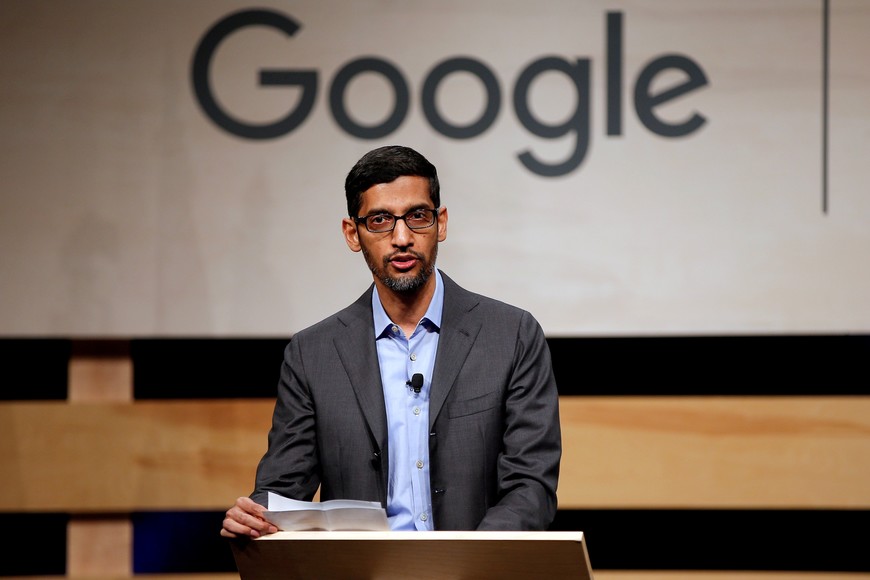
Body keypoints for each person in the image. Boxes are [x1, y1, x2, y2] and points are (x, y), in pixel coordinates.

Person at [221, 145, 561, 537]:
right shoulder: (313, 355)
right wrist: (256, 516)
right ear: (353, 233)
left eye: (417, 216)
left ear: (442, 223)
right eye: (380, 220)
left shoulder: (511, 335)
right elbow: (282, 489)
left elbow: (531, 485)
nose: (402, 238)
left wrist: (466, 564)